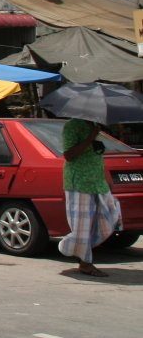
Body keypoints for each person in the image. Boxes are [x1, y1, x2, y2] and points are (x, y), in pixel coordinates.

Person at [58, 118, 122, 277]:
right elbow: (69, 155)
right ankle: (85, 263)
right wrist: (90, 138)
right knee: (82, 225)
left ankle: (71, 245)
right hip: (79, 182)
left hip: (96, 182)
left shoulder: (94, 126)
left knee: (110, 215)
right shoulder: (72, 126)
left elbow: (95, 155)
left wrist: (105, 178)